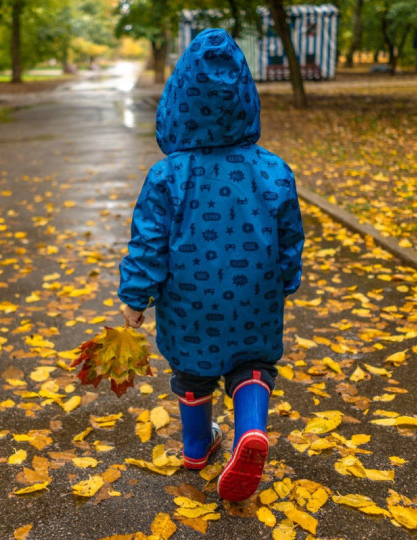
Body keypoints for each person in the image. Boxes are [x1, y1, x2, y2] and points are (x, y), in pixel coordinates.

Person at [118, 28, 305, 502]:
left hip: (189, 303)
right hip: (255, 296)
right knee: (254, 365)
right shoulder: (273, 170)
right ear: (246, 98)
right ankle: (249, 433)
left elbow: (149, 241)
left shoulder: (167, 175)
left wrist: (134, 296)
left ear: (177, 101)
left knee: (193, 372)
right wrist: (286, 280)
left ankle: (198, 447)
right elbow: (289, 236)